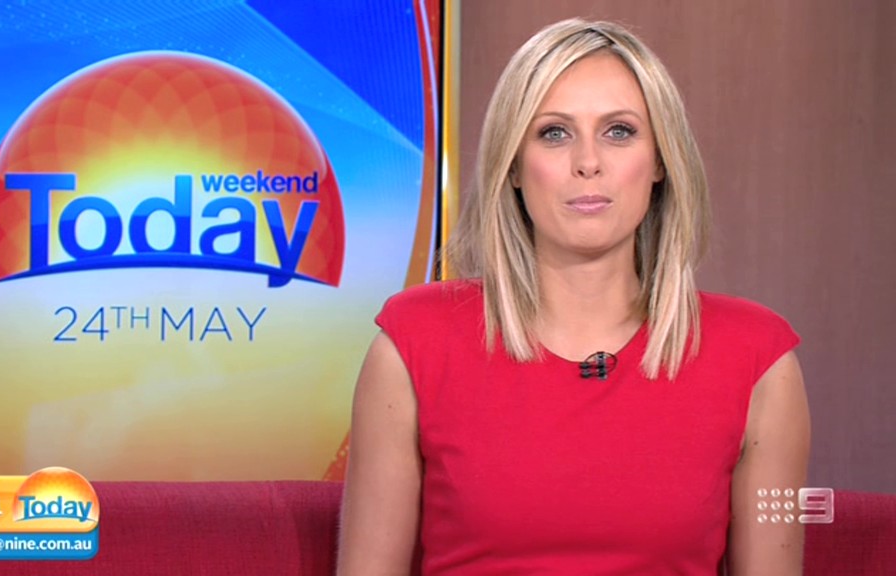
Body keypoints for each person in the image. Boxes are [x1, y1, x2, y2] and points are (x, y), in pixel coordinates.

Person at [336, 18, 810, 576]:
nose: (588, 162)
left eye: (619, 131)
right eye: (555, 133)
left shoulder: (758, 361)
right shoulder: (414, 343)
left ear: (661, 161)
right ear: (513, 165)